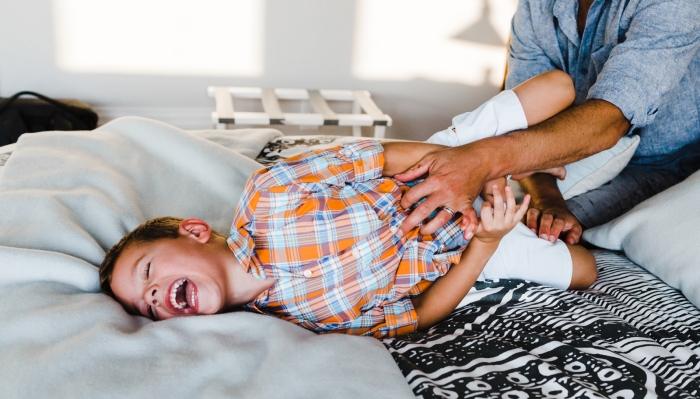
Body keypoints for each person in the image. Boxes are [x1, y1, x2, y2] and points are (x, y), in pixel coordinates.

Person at [98, 71, 597, 338]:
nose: (158, 296)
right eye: (148, 307)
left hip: (437, 163)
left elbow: (381, 157)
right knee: (584, 270)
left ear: (194, 230)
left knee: (558, 89)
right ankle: (525, 180)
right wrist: (487, 242)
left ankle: (523, 165)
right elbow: (421, 313)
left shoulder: (269, 195)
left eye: (148, 272)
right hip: (469, 245)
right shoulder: (297, 323)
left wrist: (473, 166)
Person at [396, 0, 700, 245]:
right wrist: (546, 197)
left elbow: (610, 119)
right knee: (500, 220)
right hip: (568, 156)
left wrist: (482, 159)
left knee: (530, 239)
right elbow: (523, 122)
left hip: (666, 167)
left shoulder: (673, 5)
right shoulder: (536, 8)